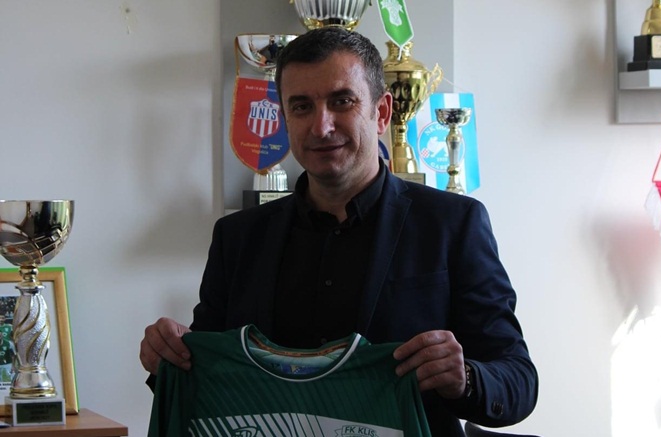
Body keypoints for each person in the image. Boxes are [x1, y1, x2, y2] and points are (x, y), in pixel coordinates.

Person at [140, 26, 538, 436]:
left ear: (382, 113)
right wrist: (167, 356)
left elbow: (519, 382)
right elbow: (204, 373)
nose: (321, 126)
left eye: (341, 101)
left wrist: (465, 378)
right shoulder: (238, 238)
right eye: (301, 107)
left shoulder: (453, 224)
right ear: (285, 119)